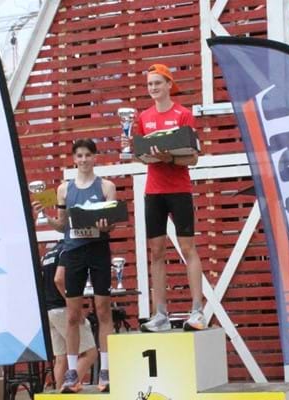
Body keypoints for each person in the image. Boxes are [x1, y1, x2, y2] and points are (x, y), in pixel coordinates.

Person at [32, 138, 116, 393]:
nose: (83, 160)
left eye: (87, 155)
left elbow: (112, 224)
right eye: (79, 155)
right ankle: (71, 374)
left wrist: (105, 225)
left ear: (95, 157)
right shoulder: (63, 190)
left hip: (98, 249)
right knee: (72, 314)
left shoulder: (106, 186)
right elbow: (62, 225)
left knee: (103, 310)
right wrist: (45, 217)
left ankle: (105, 371)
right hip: (74, 251)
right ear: (74, 159)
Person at [128, 64, 206, 332]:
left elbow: (193, 158)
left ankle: (197, 311)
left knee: (187, 248)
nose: (153, 88)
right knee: (157, 252)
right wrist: (139, 152)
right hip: (154, 190)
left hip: (179, 189)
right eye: (150, 84)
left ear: (169, 85)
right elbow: (141, 155)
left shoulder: (183, 114)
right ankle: (160, 314)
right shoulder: (143, 117)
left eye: (158, 83)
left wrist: (169, 158)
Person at [41, 240, 97, 391]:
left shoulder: (48, 254)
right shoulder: (67, 250)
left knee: (61, 358)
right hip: (63, 309)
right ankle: (69, 385)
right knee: (90, 352)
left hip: (49, 310)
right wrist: (75, 306)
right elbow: (59, 280)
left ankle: (59, 394)